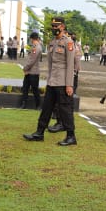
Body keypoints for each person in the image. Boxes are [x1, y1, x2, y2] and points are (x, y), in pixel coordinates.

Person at [23, 16, 76, 146]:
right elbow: (51, 65)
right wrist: (49, 80)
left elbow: (70, 65)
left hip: (63, 82)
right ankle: (39, 133)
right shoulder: (52, 43)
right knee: (46, 108)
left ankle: (71, 136)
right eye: (52, 26)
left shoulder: (68, 43)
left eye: (56, 26)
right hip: (52, 82)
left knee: (65, 110)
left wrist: (69, 84)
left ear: (62, 27)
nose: (54, 29)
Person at [19, 31, 43, 109]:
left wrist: (25, 68)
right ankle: (23, 104)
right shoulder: (34, 46)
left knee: (35, 89)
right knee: (25, 88)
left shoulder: (36, 47)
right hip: (30, 72)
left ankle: (38, 105)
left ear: (32, 38)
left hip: (33, 72)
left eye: (31, 38)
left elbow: (32, 60)